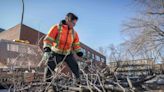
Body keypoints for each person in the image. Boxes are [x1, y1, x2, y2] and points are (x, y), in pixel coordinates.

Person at [42, 12, 83, 91]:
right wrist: (47, 48)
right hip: (56, 52)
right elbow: (48, 39)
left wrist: (78, 51)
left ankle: (78, 84)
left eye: (75, 24)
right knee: (49, 66)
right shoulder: (56, 28)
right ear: (67, 20)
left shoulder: (74, 33)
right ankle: (48, 85)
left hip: (67, 54)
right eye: (73, 23)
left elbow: (76, 44)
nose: (74, 25)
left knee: (75, 67)